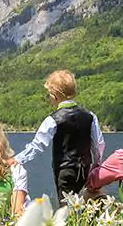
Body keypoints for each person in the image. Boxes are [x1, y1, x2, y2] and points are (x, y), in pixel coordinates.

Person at [15, 70, 105, 204]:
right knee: (88, 206)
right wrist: (96, 164)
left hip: (65, 170)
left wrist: (17, 159)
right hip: (85, 168)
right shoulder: (90, 116)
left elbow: (37, 145)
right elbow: (98, 144)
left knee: (66, 209)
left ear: (54, 96)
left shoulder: (53, 119)